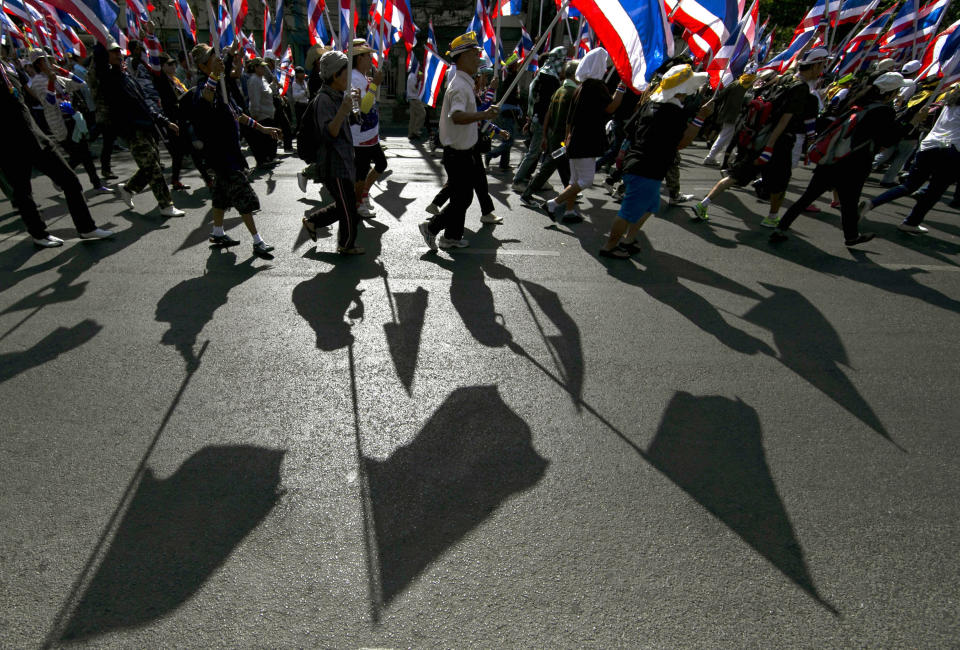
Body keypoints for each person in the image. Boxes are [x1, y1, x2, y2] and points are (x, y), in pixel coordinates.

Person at [770, 72, 908, 247]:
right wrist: (912, 122)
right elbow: (889, 139)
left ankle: (781, 228)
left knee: (807, 197)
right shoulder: (883, 111)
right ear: (890, 93)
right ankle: (851, 236)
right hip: (854, 164)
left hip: (833, 157)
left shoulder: (857, 103)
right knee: (850, 202)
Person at [691, 48, 825, 227]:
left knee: (736, 175)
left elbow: (794, 63)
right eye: (822, 65)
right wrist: (769, 147)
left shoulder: (785, 77)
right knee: (780, 182)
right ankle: (772, 216)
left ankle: (704, 203)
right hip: (777, 143)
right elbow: (785, 119)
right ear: (815, 66)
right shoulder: (800, 89)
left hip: (757, 137)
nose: (822, 69)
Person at [600, 65, 713, 258]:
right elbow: (682, 142)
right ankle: (609, 246)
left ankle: (629, 239)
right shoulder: (673, 112)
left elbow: (630, 129)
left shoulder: (652, 104)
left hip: (639, 164)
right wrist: (700, 118)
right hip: (646, 168)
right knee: (628, 211)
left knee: (651, 205)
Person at [0, 63, 113, 246]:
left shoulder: (8, 68)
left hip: (35, 136)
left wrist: (53, 79)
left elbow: (34, 97)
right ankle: (39, 234)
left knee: (70, 180)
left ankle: (86, 228)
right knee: (23, 193)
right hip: (8, 144)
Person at [190, 43, 280, 256]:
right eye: (212, 58)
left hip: (230, 151)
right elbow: (205, 101)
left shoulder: (222, 86)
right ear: (204, 66)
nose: (217, 59)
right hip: (221, 154)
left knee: (221, 195)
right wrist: (214, 75)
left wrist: (263, 129)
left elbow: (237, 113)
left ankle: (217, 231)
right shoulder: (204, 87)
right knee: (244, 196)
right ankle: (258, 242)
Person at [418, 31, 499, 251]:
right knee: (462, 199)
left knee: (461, 197)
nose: (478, 60)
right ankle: (432, 228)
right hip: (457, 154)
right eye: (474, 55)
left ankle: (450, 237)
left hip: (464, 152)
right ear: (462, 58)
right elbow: (458, 116)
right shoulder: (460, 87)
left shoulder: (464, 83)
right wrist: (485, 115)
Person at [860, 82, 960, 234]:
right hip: (951, 150)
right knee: (935, 191)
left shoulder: (949, 103)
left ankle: (871, 203)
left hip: (929, 145)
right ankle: (911, 222)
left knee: (909, 185)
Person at [541, 48, 626, 223]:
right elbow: (611, 107)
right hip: (586, 141)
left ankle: (569, 211)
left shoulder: (581, 87)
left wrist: (567, 140)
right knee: (585, 181)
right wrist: (622, 87)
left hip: (575, 140)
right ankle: (553, 203)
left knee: (574, 180)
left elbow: (569, 121)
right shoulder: (596, 86)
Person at [105, 42, 185, 217]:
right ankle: (166, 205)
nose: (120, 56)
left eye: (121, 53)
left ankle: (128, 189)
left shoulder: (128, 79)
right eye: (115, 53)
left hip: (146, 127)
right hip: (132, 130)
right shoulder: (110, 79)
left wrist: (164, 121)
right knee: (153, 167)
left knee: (151, 164)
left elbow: (144, 105)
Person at [300, 50, 364, 254]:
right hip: (332, 162)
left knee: (347, 204)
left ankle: (312, 222)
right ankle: (346, 245)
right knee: (348, 209)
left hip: (345, 159)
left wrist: (355, 104)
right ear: (336, 75)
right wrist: (343, 111)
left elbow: (354, 121)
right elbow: (329, 133)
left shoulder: (338, 96)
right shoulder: (324, 100)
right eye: (346, 72)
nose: (349, 77)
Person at [25, 49, 109, 193]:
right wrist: (51, 83)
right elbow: (49, 102)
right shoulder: (38, 81)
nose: (51, 62)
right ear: (39, 63)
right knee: (77, 155)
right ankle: (60, 179)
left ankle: (97, 184)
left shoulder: (56, 77)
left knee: (85, 154)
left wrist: (61, 71)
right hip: (60, 124)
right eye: (47, 60)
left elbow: (81, 83)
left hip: (72, 120)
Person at [519, 60, 578, 206]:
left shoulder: (560, 90)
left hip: (555, 137)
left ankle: (569, 192)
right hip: (563, 139)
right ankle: (528, 193)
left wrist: (545, 135)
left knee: (563, 165)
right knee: (550, 165)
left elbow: (548, 115)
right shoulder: (573, 92)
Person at [156, 51, 210, 190]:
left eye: (174, 63)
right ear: (161, 66)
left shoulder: (175, 79)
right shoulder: (162, 81)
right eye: (169, 64)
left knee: (179, 154)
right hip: (174, 120)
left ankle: (175, 180)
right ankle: (208, 180)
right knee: (193, 152)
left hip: (183, 119)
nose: (174, 66)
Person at [512, 46, 564, 192]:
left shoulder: (545, 74)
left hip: (539, 120)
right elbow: (545, 104)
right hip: (542, 122)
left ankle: (539, 180)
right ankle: (518, 181)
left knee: (545, 152)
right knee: (534, 152)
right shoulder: (549, 77)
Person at [349, 39, 387, 219]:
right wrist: (374, 85)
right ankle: (358, 203)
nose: (371, 59)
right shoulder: (354, 77)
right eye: (367, 55)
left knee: (380, 163)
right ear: (359, 58)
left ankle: (363, 194)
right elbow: (362, 107)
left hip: (370, 132)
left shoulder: (362, 76)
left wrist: (372, 83)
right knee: (362, 171)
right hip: (360, 134)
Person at [703, 73, 752, 166]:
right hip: (737, 116)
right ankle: (711, 157)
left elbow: (721, 95)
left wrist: (711, 101)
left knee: (728, 138)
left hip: (728, 114)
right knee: (725, 136)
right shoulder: (749, 86)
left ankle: (727, 158)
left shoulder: (735, 83)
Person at [245, 57, 279, 167]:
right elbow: (255, 99)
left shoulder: (262, 79)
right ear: (255, 68)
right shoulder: (254, 80)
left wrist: (274, 84)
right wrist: (255, 115)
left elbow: (268, 91)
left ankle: (270, 158)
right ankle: (265, 160)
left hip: (269, 113)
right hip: (262, 115)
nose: (264, 68)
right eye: (261, 66)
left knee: (271, 139)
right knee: (265, 140)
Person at [407, 67, 425, 140]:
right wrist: (419, 80)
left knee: (413, 117)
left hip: (415, 98)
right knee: (422, 114)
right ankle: (416, 130)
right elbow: (414, 89)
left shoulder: (416, 75)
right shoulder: (412, 76)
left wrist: (420, 78)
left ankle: (411, 133)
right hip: (414, 98)